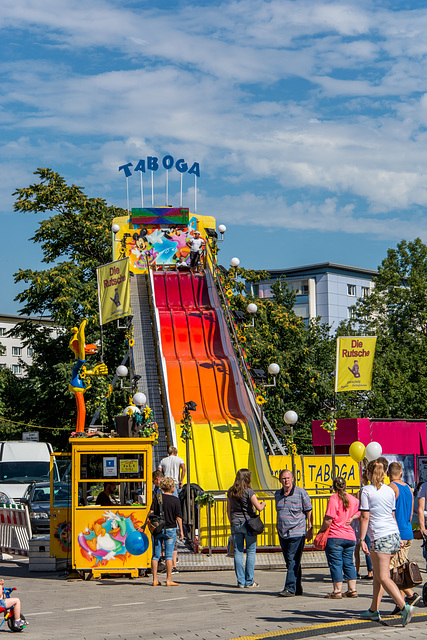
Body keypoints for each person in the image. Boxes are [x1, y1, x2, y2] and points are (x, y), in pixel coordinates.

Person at [359, 459, 413, 626]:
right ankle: (374, 609)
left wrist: (361, 539)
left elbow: (365, 516)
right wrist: (397, 535)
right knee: (378, 575)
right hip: (392, 533)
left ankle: (404, 606)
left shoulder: (366, 491)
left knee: (383, 576)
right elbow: (391, 515)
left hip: (379, 536)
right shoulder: (389, 491)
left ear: (368, 473)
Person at [317, 477, 360, 598]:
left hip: (335, 535)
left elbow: (328, 519)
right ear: (345, 486)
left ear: (334, 487)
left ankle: (337, 591)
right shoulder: (353, 499)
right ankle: (352, 589)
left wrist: (321, 530)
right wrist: (352, 518)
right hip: (350, 536)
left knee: (336, 563)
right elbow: (361, 511)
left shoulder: (334, 498)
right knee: (349, 563)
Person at [387, 461, 421, 613]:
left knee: (391, 571)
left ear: (388, 474)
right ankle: (400, 605)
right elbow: (411, 510)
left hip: (397, 532)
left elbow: (390, 511)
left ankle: (411, 594)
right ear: (401, 473)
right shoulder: (408, 487)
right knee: (399, 569)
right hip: (407, 531)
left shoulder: (391, 488)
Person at [275, 470, 313, 597]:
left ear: (292, 479)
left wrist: (310, 527)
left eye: (288, 478)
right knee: (292, 561)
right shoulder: (278, 494)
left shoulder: (301, 492)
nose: (286, 481)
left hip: (297, 532)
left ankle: (289, 588)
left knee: (292, 559)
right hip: (283, 532)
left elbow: (309, 510)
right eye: (283, 478)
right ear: (280, 480)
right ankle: (297, 587)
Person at [226, 468, 266, 588]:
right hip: (248, 525)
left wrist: (232, 522)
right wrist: (263, 504)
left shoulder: (230, 491)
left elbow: (228, 510)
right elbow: (258, 507)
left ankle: (240, 581)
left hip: (235, 524)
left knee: (238, 552)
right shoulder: (249, 491)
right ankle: (249, 581)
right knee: (251, 551)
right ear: (248, 478)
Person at [149, 476, 184, 587]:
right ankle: (168, 580)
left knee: (155, 555)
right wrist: (181, 532)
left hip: (158, 529)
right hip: (170, 529)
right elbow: (178, 517)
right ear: (171, 487)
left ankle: (155, 579)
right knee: (169, 556)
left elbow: (151, 513)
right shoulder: (175, 500)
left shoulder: (157, 498)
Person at [353, 469, 373, 580]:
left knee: (365, 546)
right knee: (370, 546)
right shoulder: (376, 489)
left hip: (363, 521)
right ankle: (371, 570)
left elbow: (359, 508)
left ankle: (367, 571)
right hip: (373, 520)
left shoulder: (361, 492)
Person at [417, 480, 427, 570]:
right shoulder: (424, 487)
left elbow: (421, 509)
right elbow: (420, 509)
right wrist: (423, 528)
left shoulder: (424, 486)